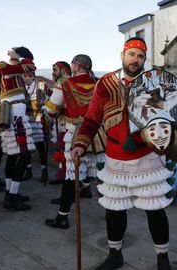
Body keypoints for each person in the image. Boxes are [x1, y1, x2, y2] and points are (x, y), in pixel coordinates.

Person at [70, 37, 174, 270]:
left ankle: (163, 259)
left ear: (144, 59)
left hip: (148, 156)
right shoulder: (106, 83)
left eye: (140, 56)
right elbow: (92, 117)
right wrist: (80, 143)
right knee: (114, 211)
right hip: (116, 156)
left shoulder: (154, 82)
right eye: (131, 54)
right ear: (122, 55)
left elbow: (167, 116)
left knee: (155, 210)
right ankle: (115, 254)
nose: (135, 60)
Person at [44, 55, 105, 229]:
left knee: (72, 178)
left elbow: (51, 110)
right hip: (98, 134)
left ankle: (62, 217)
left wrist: (60, 109)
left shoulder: (64, 83)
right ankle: (113, 213)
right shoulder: (98, 85)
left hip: (75, 133)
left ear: (77, 66)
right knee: (104, 177)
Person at [0, 46, 36, 211]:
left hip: (13, 114)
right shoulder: (6, 66)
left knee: (13, 156)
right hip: (16, 115)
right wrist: (18, 55)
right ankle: (12, 196)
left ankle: (10, 193)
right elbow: (30, 66)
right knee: (24, 156)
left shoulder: (12, 70)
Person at [22, 71, 49, 183]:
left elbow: (42, 101)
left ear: (31, 76)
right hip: (26, 117)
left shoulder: (40, 84)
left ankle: (44, 170)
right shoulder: (22, 86)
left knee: (40, 144)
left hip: (37, 117)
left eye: (25, 77)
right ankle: (28, 169)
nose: (23, 79)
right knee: (27, 144)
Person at [48, 61, 71, 185]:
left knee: (63, 150)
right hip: (75, 123)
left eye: (55, 70)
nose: (53, 72)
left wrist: (47, 111)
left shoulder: (61, 83)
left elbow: (52, 109)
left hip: (64, 122)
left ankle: (65, 178)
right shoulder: (72, 81)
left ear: (62, 70)